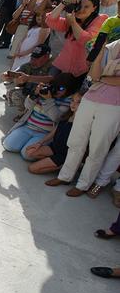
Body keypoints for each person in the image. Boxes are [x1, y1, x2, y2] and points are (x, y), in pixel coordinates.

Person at [46, 40, 120, 196]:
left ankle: (83, 185)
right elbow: (93, 75)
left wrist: (101, 78)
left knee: (97, 147)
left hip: (114, 106)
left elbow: (104, 79)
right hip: (90, 98)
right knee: (76, 140)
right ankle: (65, 176)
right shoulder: (110, 46)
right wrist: (99, 54)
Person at [2, 73, 74, 161]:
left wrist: (48, 100)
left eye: (61, 88)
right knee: (9, 145)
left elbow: (56, 117)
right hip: (28, 127)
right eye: (55, 86)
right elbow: (27, 106)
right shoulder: (45, 91)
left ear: (68, 90)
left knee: (27, 154)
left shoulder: (68, 101)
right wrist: (34, 94)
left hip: (44, 134)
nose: (57, 90)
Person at [45, 0, 107, 80]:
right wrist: (64, 3)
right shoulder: (73, 20)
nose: (81, 9)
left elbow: (87, 40)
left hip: (82, 71)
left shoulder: (101, 19)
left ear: (94, 8)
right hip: (63, 65)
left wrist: (73, 23)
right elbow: (50, 21)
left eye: (86, 7)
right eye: (80, 6)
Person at [25, 93, 79, 174]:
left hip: (64, 154)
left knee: (32, 168)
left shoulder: (82, 122)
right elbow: (54, 131)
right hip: (54, 147)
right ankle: (51, 161)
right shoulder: (68, 115)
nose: (73, 104)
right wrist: (40, 143)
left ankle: (62, 166)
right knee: (29, 152)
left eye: (78, 102)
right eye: (72, 101)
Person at [1, 45, 54, 119]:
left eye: (36, 58)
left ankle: (31, 115)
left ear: (46, 57)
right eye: (32, 57)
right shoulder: (29, 64)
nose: (33, 60)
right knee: (12, 91)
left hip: (42, 96)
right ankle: (24, 112)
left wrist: (29, 78)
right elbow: (18, 71)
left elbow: (51, 79)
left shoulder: (53, 65)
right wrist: (7, 75)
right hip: (29, 91)